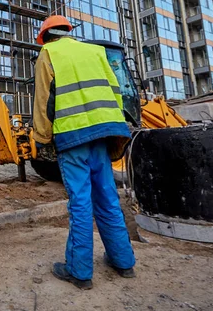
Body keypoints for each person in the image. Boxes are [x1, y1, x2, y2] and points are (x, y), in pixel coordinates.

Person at [33, 15, 136, 290]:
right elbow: (115, 93)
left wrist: (41, 138)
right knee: (108, 198)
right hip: (104, 134)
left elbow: (43, 101)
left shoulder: (48, 53)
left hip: (73, 136)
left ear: (46, 37)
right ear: (67, 33)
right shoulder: (95, 51)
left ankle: (79, 271)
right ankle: (123, 262)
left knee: (80, 202)